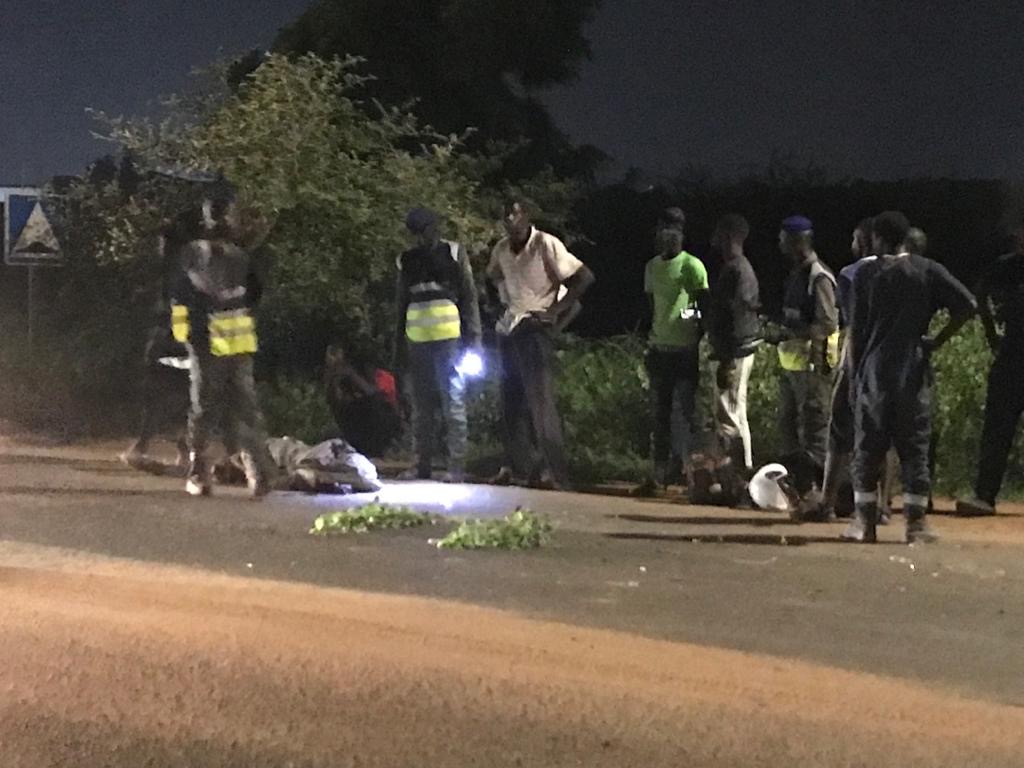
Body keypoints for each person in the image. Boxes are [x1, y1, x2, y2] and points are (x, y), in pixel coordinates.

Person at [843, 211, 975, 543]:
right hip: (913, 372)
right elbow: (968, 305)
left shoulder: (866, 274)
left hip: (874, 373)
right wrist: (936, 339)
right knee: (914, 449)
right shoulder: (927, 271)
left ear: (878, 238)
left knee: (868, 448)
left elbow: (855, 332)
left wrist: (855, 379)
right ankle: (915, 525)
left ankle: (864, 523)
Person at [171, 183, 273, 498]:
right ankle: (219, 472)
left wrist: (184, 338)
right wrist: (186, 339)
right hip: (214, 343)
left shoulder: (232, 255)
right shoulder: (220, 254)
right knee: (221, 409)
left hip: (226, 343)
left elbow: (182, 297)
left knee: (221, 409)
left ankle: (252, 473)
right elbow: (183, 298)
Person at [487, 199, 595, 490]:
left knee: (540, 402)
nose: (509, 219)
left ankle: (553, 471)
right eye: (505, 215)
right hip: (510, 327)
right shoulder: (501, 249)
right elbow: (493, 277)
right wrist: (499, 308)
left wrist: (555, 312)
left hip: (535, 327)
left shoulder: (545, 244)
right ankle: (517, 467)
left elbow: (583, 277)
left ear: (527, 217)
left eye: (515, 214)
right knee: (511, 401)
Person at [393, 207, 481, 482]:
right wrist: (397, 346)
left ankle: (456, 467)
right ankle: (421, 465)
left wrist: (475, 339)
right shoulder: (406, 260)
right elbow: (400, 306)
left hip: (449, 341)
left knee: (453, 403)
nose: (421, 237)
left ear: (435, 227)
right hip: (417, 341)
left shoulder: (454, 253)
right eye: (416, 233)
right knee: (421, 407)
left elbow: (469, 297)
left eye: (424, 230)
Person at [120, 208, 201, 472]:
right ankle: (179, 450)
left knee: (167, 393)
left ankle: (169, 449)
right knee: (176, 395)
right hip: (176, 340)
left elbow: (179, 307)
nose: (159, 247)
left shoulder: (181, 268)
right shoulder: (179, 267)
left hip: (176, 341)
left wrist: (171, 340)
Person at [956, 219, 1024, 517]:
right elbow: (979, 294)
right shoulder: (1008, 266)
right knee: (997, 427)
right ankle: (985, 495)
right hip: (1012, 353)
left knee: (998, 426)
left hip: (1011, 354)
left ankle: (985, 494)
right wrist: (990, 332)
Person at [774, 215, 840, 497]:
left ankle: (822, 492)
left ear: (797, 241)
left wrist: (795, 332)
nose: (780, 244)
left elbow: (827, 323)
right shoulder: (797, 274)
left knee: (815, 427)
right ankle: (801, 487)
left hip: (817, 363)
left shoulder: (818, 276)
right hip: (795, 363)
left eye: (784, 239)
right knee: (788, 424)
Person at [640, 224, 708, 489]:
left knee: (686, 414)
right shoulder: (652, 267)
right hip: (659, 349)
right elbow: (651, 306)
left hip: (685, 350)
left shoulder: (692, 266)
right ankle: (660, 473)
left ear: (682, 237)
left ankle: (690, 471)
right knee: (660, 414)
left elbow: (704, 306)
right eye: (664, 234)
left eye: (674, 234)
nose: (669, 239)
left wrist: (687, 320)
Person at [706, 214, 761, 472]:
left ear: (728, 236)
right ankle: (744, 469)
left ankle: (738, 475)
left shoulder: (735, 270)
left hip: (734, 350)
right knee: (736, 412)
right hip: (740, 348)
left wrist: (726, 357)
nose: (714, 238)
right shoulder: (742, 267)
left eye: (719, 233)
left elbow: (733, 315)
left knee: (728, 415)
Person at [323, 343, 401, 458]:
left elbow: (373, 396)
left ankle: (383, 448)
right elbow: (336, 403)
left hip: (382, 428)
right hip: (358, 430)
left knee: (375, 403)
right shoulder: (345, 379)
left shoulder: (383, 377)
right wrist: (333, 375)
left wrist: (352, 375)